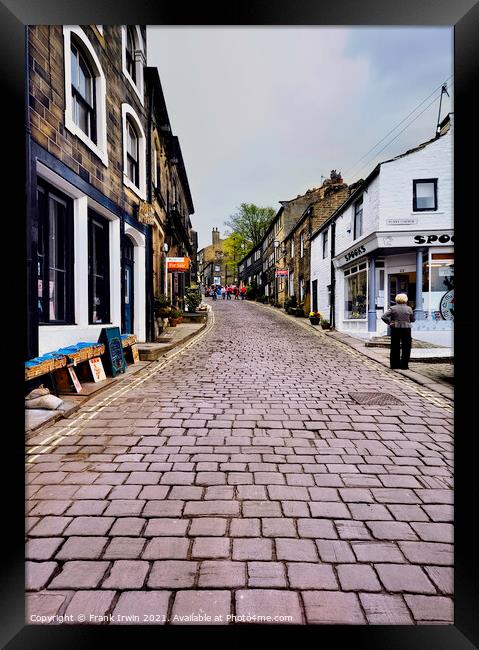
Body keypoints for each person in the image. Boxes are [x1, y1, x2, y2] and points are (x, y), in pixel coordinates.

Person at [381, 293, 415, 370]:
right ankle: (404, 365)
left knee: (394, 346)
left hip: (395, 328)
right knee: (406, 347)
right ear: (405, 300)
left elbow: (383, 316)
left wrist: (390, 322)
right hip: (406, 329)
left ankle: (394, 365)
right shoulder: (409, 309)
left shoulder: (393, 308)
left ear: (397, 299)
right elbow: (412, 319)